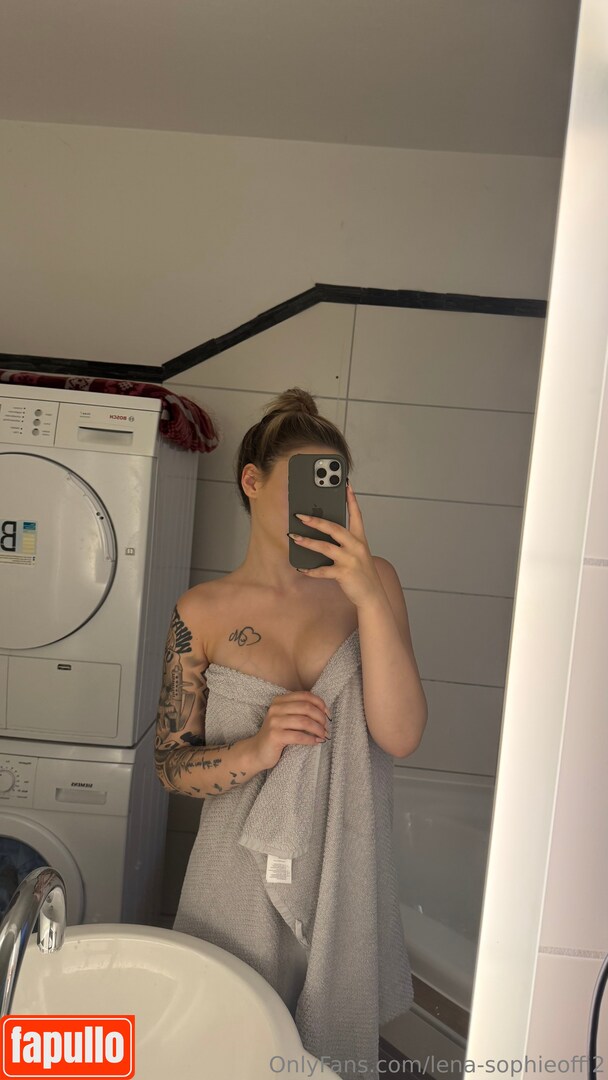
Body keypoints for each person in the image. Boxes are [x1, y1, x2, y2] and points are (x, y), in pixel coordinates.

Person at [154, 387, 428, 1060]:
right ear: (252, 481)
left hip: (343, 877)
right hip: (234, 884)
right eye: (305, 484)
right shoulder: (202, 610)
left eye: (333, 486)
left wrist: (365, 594)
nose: (318, 504)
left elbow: (401, 735)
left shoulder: (376, 582)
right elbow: (171, 767)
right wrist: (256, 748)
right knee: (224, 1053)